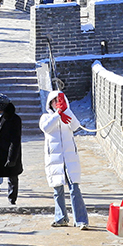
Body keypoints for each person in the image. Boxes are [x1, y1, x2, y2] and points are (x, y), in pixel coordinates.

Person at [40, 91, 89, 229]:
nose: (57, 103)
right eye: (54, 101)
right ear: (50, 103)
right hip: (54, 159)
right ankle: (61, 217)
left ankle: (81, 220)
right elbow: (46, 128)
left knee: (75, 188)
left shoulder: (68, 115)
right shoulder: (46, 117)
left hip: (69, 158)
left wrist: (66, 111)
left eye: (59, 100)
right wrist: (57, 114)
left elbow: (75, 126)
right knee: (58, 190)